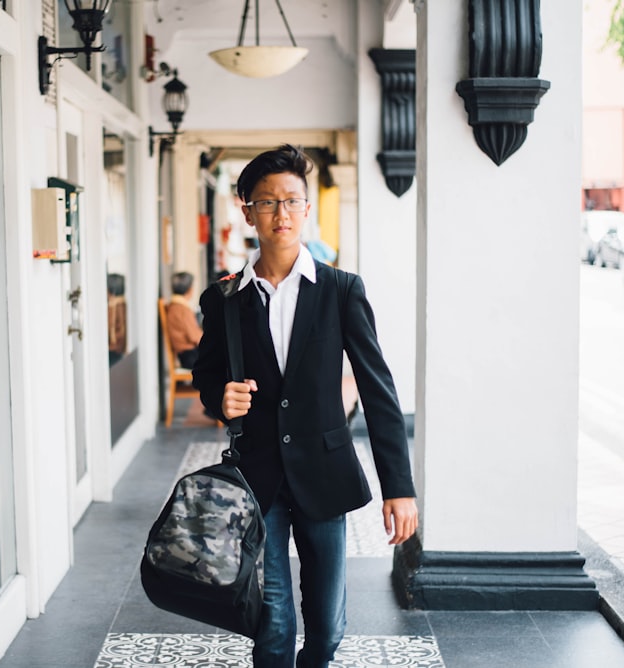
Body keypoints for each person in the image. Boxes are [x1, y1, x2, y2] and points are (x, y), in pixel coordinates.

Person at [192, 145, 418, 668]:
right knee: (271, 627)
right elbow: (207, 377)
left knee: (328, 626)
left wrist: (399, 488)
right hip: (258, 478)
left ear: (307, 208)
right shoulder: (223, 299)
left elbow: (378, 389)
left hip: (325, 472)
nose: (281, 214)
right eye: (268, 202)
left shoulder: (340, 291)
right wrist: (220, 399)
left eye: (292, 201)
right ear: (246, 210)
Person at [165, 271, 204, 370]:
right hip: (190, 356)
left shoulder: (174, 306)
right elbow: (194, 336)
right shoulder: (182, 309)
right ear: (190, 289)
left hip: (185, 355)